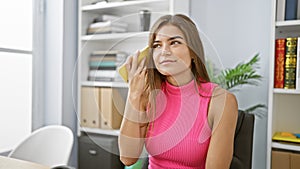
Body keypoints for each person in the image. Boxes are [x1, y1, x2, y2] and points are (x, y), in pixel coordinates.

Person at [118, 14, 238, 169]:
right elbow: (127, 158)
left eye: (174, 43)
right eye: (157, 45)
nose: (164, 51)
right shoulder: (148, 95)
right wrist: (133, 95)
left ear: (193, 51)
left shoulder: (221, 101)